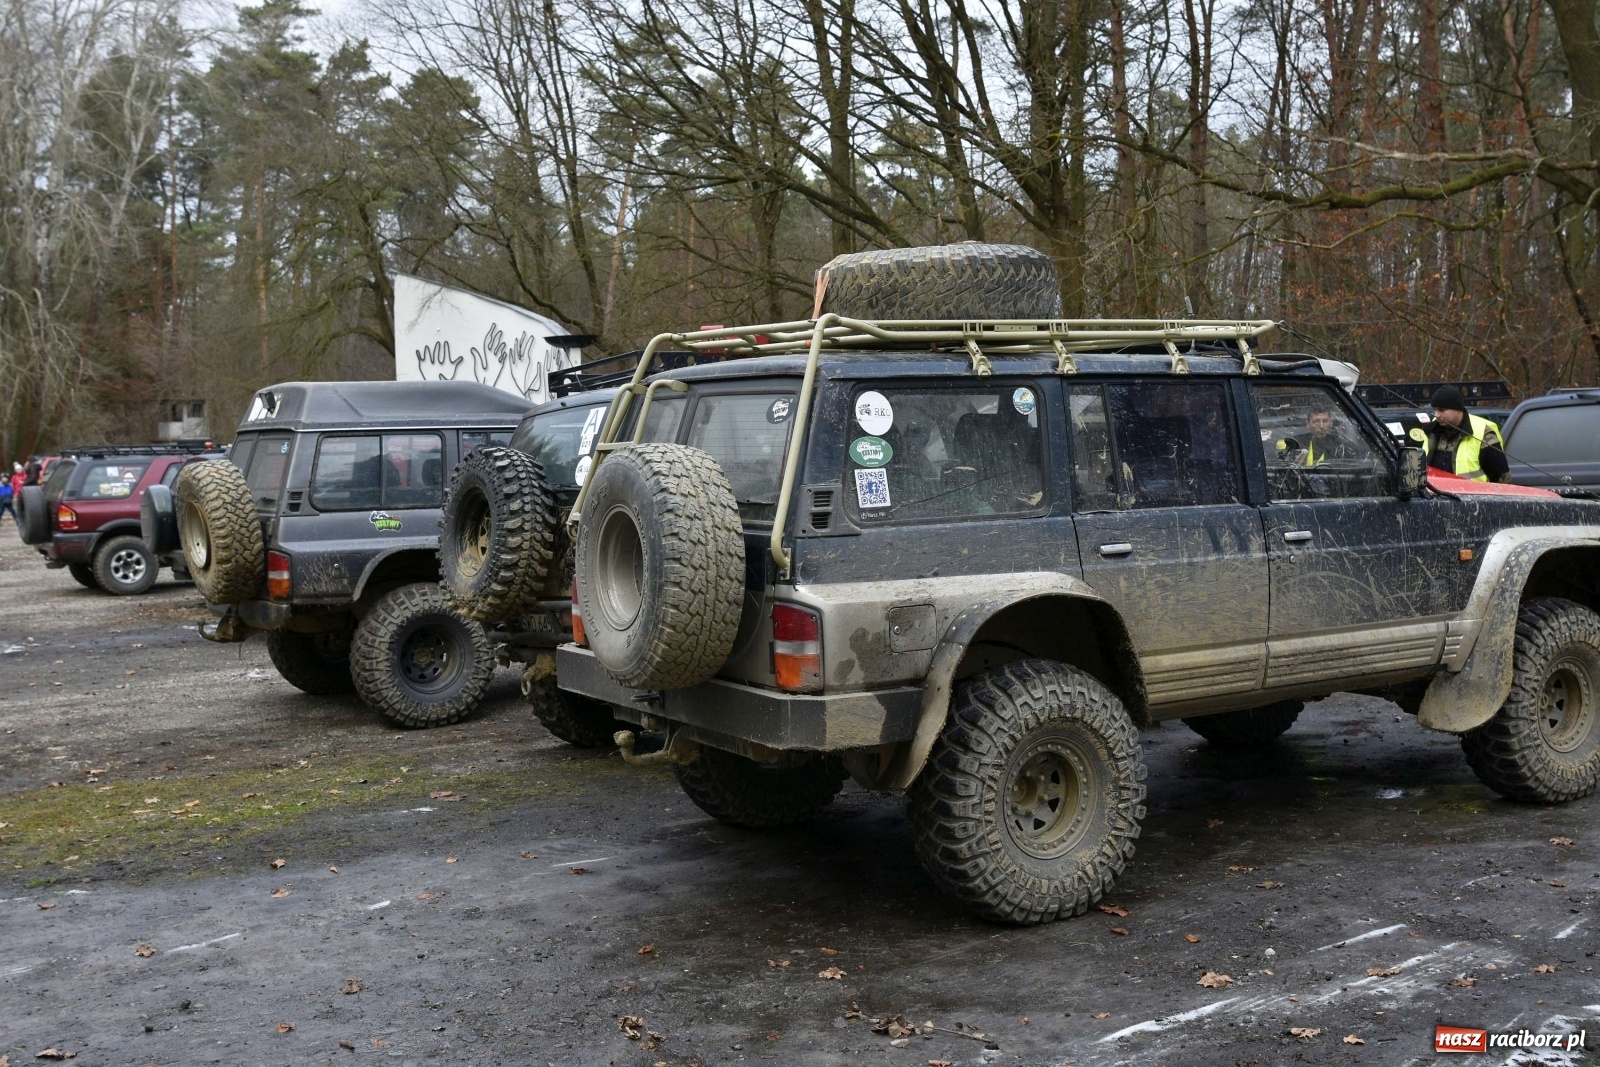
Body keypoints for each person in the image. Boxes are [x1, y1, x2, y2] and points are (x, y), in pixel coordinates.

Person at [1419, 385, 1509, 482]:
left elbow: (1502, 479)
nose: (1436, 415)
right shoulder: (1432, 430)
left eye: (1441, 410)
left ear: (1457, 408)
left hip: (1473, 496)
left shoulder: (1483, 432)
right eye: (1435, 409)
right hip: (1436, 496)